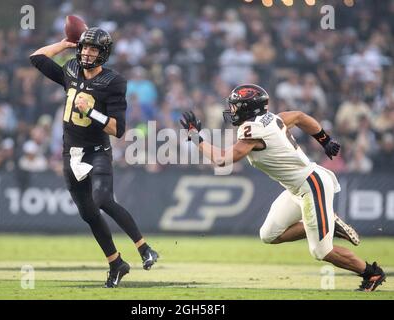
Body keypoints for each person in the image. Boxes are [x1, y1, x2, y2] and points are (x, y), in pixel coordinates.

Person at [180, 84, 386, 292]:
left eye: (235, 106)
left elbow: (222, 159)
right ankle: (325, 223)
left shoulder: (253, 129)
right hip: (297, 188)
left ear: (248, 107)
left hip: (311, 186)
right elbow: (298, 116)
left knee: (321, 251)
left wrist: (196, 138)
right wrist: (324, 139)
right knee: (269, 234)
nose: (232, 111)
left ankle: (371, 272)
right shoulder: (271, 119)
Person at [29, 28, 158, 288]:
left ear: (104, 53)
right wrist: (65, 44)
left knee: (102, 199)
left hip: (97, 151)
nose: (87, 53)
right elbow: (37, 57)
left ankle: (144, 248)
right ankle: (116, 264)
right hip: (70, 153)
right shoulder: (71, 69)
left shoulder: (114, 82)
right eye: (84, 48)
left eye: (93, 49)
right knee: (88, 214)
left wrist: (91, 112)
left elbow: (118, 130)